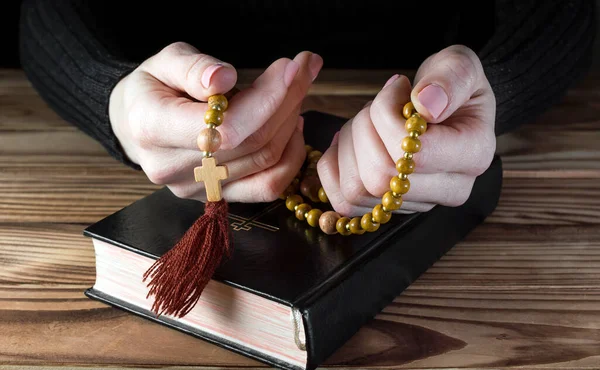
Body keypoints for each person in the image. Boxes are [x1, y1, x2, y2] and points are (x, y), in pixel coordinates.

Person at [18, 0, 596, 216]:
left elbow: (565, 15)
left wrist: (492, 82)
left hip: (423, 84)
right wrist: (111, 95)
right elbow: (44, 15)